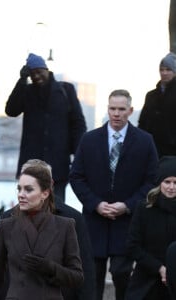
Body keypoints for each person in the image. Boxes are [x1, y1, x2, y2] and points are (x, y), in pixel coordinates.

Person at [69, 89, 158, 300]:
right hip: (94, 220)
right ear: (107, 109)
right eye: (112, 108)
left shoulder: (145, 141)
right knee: (93, 278)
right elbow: (76, 176)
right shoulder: (89, 139)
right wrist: (96, 204)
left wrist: (128, 205)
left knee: (121, 274)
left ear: (130, 110)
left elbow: (152, 180)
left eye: (121, 109)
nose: (116, 113)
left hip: (127, 221)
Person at [0, 159, 96, 300]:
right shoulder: (8, 219)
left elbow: (84, 272)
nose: (22, 193)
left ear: (48, 187)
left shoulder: (72, 220)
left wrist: (51, 268)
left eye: (29, 188)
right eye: (20, 187)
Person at [5, 53, 87, 202]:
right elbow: (11, 110)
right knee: (29, 208)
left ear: (46, 70)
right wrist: (22, 80)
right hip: (31, 164)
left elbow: (78, 124)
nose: (36, 76)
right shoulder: (27, 91)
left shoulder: (65, 90)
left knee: (57, 208)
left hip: (58, 163)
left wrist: (78, 153)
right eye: (32, 74)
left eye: (38, 72)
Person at [126, 156, 176, 300]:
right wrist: (159, 268)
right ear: (159, 183)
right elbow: (132, 246)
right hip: (146, 279)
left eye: (175, 182)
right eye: (167, 182)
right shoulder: (144, 208)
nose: (171, 187)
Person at [138, 52, 176, 158]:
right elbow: (142, 123)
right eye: (162, 69)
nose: (164, 73)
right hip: (152, 149)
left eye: (168, 70)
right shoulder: (151, 96)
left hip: (172, 152)